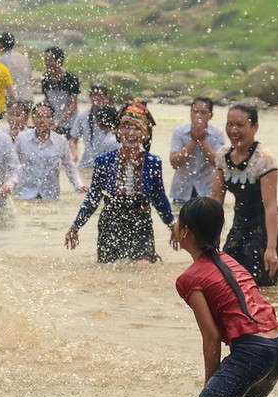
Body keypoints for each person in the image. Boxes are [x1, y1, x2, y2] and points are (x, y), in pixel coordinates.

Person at [173, 196, 278, 397]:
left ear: (185, 232)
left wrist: (209, 385)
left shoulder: (189, 279)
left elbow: (211, 336)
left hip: (252, 353)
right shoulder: (231, 261)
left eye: (178, 221)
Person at [65, 100, 175, 263]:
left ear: (145, 134)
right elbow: (93, 198)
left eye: (137, 128)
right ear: (117, 131)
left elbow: (159, 198)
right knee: (110, 271)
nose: (131, 133)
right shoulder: (104, 161)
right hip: (111, 224)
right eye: (126, 126)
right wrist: (76, 226)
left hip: (141, 224)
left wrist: (172, 225)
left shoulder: (153, 162)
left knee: (144, 266)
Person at [210, 104, 278, 288]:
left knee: (259, 284)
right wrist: (209, 239)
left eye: (240, 125)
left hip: (264, 227)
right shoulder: (223, 156)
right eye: (229, 124)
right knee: (227, 274)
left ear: (254, 127)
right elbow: (216, 199)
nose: (233, 130)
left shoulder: (264, 159)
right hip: (240, 222)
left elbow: (270, 206)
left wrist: (271, 248)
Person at [14, 102, 86, 200]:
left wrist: (79, 185)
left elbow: (70, 167)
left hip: (50, 195)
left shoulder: (60, 141)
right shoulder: (22, 138)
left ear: (52, 120)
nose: (42, 120)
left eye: (47, 117)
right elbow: (13, 164)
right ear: (32, 118)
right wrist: (9, 184)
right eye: (39, 116)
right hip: (25, 193)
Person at [169, 97, 226, 205]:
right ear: (190, 113)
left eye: (203, 112)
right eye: (195, 111)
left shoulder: (217, 134)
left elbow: (219, 163)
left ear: (210, 116)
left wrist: (203, 140)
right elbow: (174, 163)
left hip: (206, 191)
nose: (198, 116)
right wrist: (193, 141)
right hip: (182, 191)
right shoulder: (180, 132)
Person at [70, 83, 120, 169]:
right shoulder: (82, 117)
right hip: (87, 163)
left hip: (109, 165)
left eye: (100, 95)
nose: (96, 98)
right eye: (93, 95)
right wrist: (74, 154)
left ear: (107, 98)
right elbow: (73, 140)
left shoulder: (117, 116)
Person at [40, 46, 80, 136]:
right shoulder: (46, 78)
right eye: (46, 60)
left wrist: (59, 123)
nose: (47, 63)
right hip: (53, 122)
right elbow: (47, 101)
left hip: (69, 122)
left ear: (59, 61)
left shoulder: (71, 79)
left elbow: (73, 106)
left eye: (50, 60)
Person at [0, 32, 32, 103]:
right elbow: (29, 77)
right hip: (27, 97)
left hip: (12, 99)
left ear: (0, 44)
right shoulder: (24, 58)